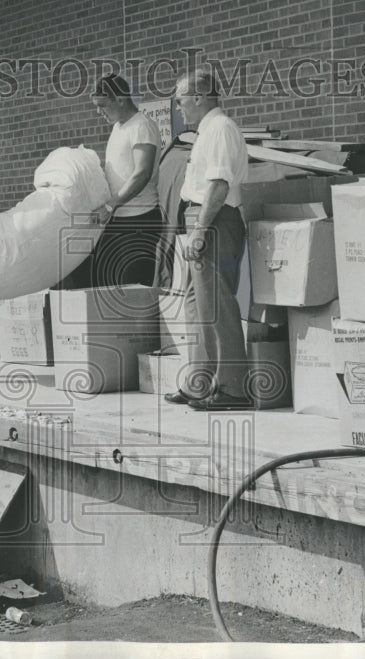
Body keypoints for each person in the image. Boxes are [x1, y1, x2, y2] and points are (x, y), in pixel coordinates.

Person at [166, 66, 251, 410]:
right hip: (203, 218)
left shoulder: (219, 129)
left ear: (199, 97)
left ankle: (233, 388)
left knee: (217, 305)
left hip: (213, 220)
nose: (178, 106)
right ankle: (199, 382)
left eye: (181, 99)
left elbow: (218, 184)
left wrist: (200, 229)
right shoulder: (208, 130)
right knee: (196, 304)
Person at [72, 73, 163, 287]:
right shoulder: (118, 128)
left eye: (103, 105)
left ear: (121, 99)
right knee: (110, 283)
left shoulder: (142, 126)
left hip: (140, 220)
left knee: (134, 288)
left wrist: (111, 204)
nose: (99, 111)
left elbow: (142, 173)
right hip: (118, 219)